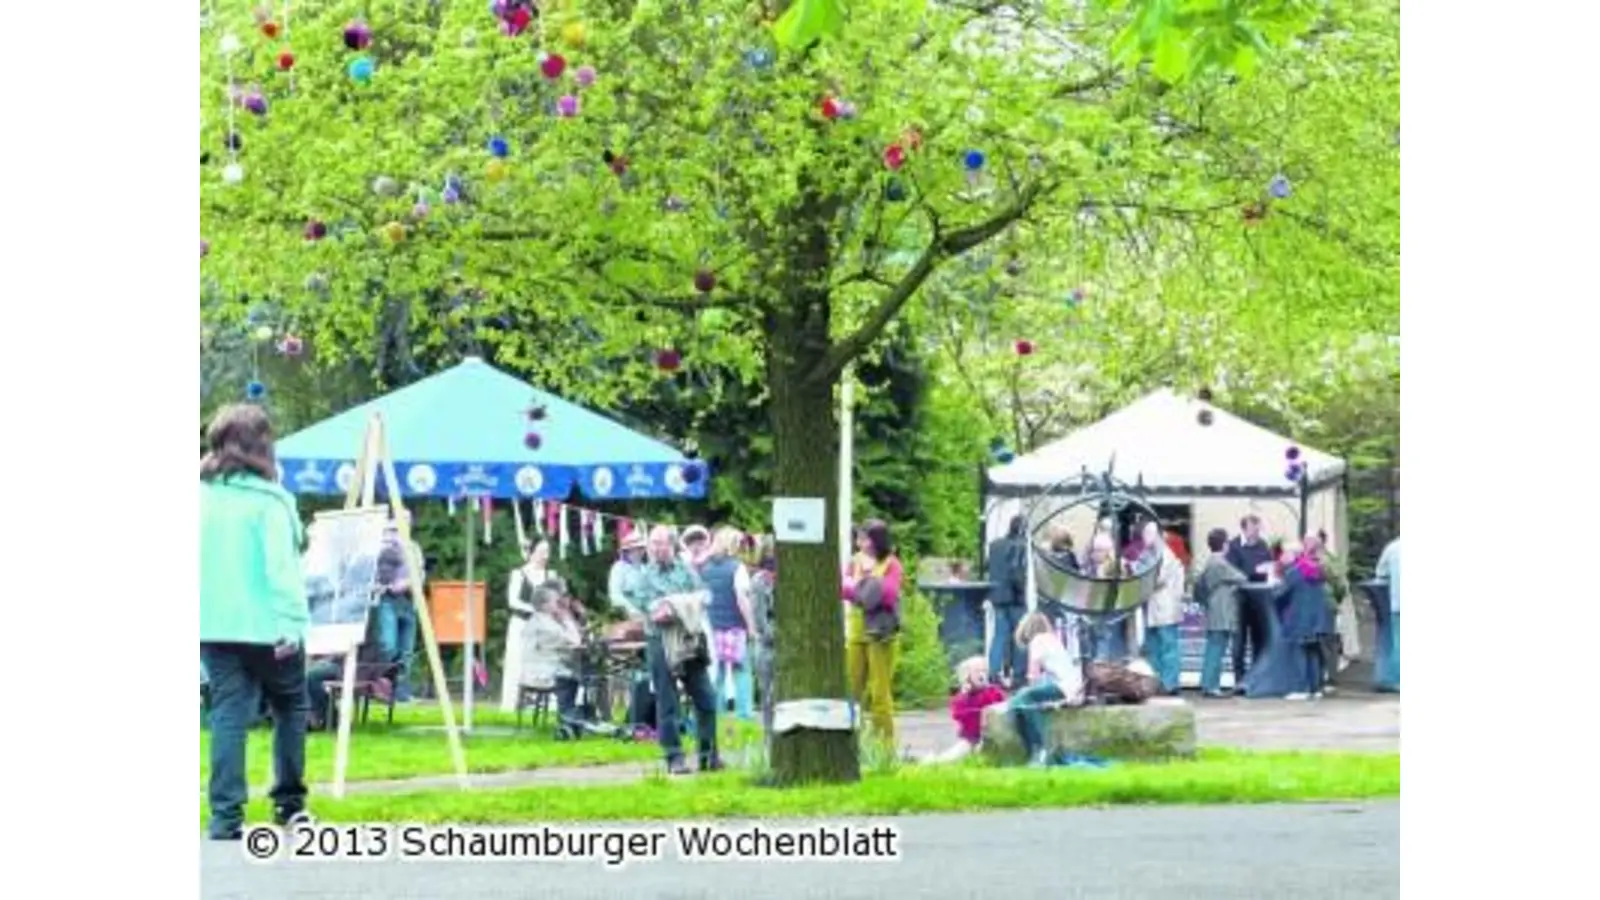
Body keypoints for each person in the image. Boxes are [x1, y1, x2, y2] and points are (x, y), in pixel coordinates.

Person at [199, 404, 311, 839]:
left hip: (212, 623)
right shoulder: (271, 501)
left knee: (228, 714)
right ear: (263, 446)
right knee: (290, 705)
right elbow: (282, 570)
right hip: (268, 626)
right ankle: (288, 804)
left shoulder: (199, 496)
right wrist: (294, 624)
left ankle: (225, 817)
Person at [634, 525, 721, 774]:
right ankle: (674, 758)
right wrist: (676, 604)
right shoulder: (644, 575)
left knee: (706, 697)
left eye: (661, 543)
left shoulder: (686, 570)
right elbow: (650, 608)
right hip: (659, 641)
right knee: (667, 700)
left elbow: (704, 595)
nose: (656, 548)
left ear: (672, 545)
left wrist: (679, 604)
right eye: (653, 543)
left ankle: (708, 755)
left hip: (689, 638)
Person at [842, 519, 904, 748]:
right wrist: (866, 589)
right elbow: (844, 589)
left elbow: (888, 594)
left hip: (880, 633)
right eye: (858, 538)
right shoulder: (854, 561)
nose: (859, 543)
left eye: (864, 538)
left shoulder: (891, 563)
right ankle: (849, 742)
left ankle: (884, 747)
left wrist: (861, 585)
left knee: (880, 692)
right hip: (857, 631)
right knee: (851, 689)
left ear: (877, 540)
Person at [1006, 611, 1086, 767]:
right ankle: (1035, 750)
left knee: (1021, 701)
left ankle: (1039, 746)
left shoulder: (1037, 641)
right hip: (1073, 686)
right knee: (1019, 701)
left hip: (1064, 687)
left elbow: (1033, 675)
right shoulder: (1052, 639)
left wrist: (1025, 692)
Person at [702, 527, 757, 720]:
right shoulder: (737, 568)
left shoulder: (705, 568)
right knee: (741, 670)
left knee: (716, 673)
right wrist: (751, 626)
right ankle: (744, 714)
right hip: (735, 627)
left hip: (713, 627)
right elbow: (742, 599)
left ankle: (717, 714)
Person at [519, 579, 584, 728]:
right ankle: (568, 718)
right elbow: (575, 640)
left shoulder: (539, 620)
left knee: (574, 675)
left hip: (537, 669)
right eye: (556, 601)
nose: (559, 604)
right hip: (542, 673)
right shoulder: (547, 626)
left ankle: (570, 717)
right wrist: (567, 619)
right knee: (573, 678)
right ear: (545, 605)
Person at [1192, 528, 1247, 697]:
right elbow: (1242, 577)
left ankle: (1207, 684)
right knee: (1216, 650)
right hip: (1221, 612)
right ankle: (1211, 686)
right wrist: (1233, 585)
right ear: (1224, 544)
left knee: (1213, 648)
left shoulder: (1210, 562)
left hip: (1213, 609)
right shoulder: (1220, 563)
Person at [1276, 540, 1333, 700]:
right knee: (1313, 651)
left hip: (1300, 618)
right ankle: (1316, 688)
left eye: (1286, 553)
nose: (1283, 556)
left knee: (1299, 652)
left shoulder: (1295, 572)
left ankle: (1301, 688)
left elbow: (1281, 595)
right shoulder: (1319, 570)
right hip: (1318, 619)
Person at [923, 657, 1007, 764]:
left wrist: (987, 690)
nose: (981, 674)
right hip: (970, 739)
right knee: (954, 756)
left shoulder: (994, 692)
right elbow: (958, 715)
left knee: (986, 755)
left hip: (992, 738)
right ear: (968, 676)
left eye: (984, 670)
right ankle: (935, 761)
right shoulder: (963, 697)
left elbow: (1001, 708)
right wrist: (966, 696)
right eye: (977, 671)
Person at [373, 520, 422, 702]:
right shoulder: (379, 546)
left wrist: (409, 583)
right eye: (393, 528)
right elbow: (371, 572)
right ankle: (380, 686)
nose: (397, 532)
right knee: (389, 644)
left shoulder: (413, 548)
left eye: (405, 524)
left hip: (408, 599)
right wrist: (384, 585)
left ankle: (401, 691)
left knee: (406, 649)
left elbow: (420, 572)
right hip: (386, 598)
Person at [501, 539, 553, 712]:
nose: (545, 556)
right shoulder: (519, 574)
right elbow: (512, 601)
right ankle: (512, 701)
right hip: (521, 623)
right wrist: (533, 608)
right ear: (532, 552)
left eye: (547, 552)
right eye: (541, 552)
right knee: (517, 662)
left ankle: (539, 701)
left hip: (542, 626)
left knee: (541, 662)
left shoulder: (550, 575)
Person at [1225, 515, 1275, 678]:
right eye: (1254, 529)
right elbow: (1232, 572)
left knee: (1258, 638)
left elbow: (1269, 564)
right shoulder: (1234, 546)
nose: (1257, 532)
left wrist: (1268, 569)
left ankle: (1255, 677)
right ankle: (1239, 678)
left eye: (1258, 528)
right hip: (1240, 599)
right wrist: (1254, 571)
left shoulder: (1263, 545)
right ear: (1245, 529)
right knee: (1239, 640)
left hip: (1258, 598)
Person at [1140, 521, 1187, 695]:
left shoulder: (1165, 554)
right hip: (1153, 609)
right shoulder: (1148, 554)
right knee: (1153, 648)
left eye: (1148, 534)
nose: (1144, 538)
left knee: (1168, 646)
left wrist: (1140, 579)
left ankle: (1170, 684)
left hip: (1165, 608)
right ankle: (1156, 682)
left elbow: (1158, 579)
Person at [985, 515, 1030, 688]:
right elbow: (1017, 573)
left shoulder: (994, 545)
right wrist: (1023, 593)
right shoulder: (1022, 546)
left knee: (999, 635)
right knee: (1020, 636)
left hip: (997, 596)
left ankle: (993, 672)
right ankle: (1019, 675)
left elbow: (988, 567)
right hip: (1016, 598)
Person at [747, 535, 778, 740]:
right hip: (768, 644)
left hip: (785, 641)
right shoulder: (759, 581)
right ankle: (770, 739)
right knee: (769, 694)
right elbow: (759, 620)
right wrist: (773, 636)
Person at [1374, 535, 1400, 691]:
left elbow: (1380, 573)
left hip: (1397, 603)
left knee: (1398, 644)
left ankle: (1395, 680)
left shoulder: (1392, 548)